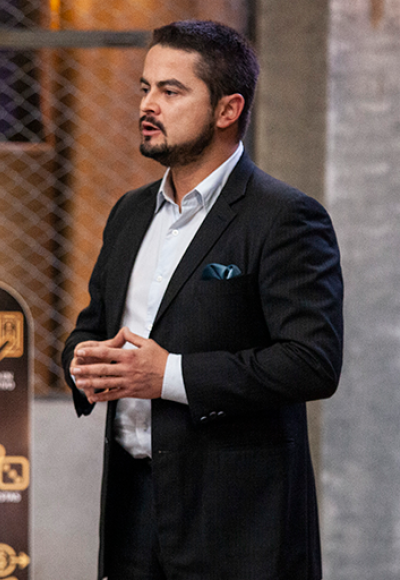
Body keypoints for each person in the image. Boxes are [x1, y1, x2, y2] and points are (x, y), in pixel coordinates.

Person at [62, 19, 343, 580]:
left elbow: (312, 362)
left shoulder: (284, 217)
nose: (149, 105)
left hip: (239, 525)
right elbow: (93, 325)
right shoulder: (130, 212)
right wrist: (83, 362)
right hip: (132, 511)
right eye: (145, 88)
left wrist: (167, 375)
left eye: (171, 91)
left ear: (227, 109)